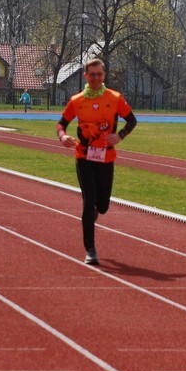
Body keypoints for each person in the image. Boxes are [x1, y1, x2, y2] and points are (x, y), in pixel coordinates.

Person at [56, 58, 137, 265]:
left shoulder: (115, 98)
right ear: (85, 76)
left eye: (99, 74)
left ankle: (93, 212)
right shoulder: (77, 101)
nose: (95, 78)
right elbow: (61, 124)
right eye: (92, 74)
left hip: (106, 157)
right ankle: (90, 250)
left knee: (102, 206)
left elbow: (132, 120)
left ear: (104, 75)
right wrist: (63, 137)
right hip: (84, 156)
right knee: (88, 200)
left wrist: (120, 136)